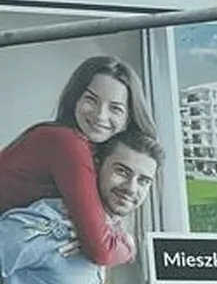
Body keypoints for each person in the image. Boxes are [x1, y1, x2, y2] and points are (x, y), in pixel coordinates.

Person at [0, 128, 159, 284]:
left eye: (143, 181)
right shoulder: (51, 225)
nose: (131, 188)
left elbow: (120, 245)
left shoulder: (107, 231)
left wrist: (126, 244)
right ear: (96, 167)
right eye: (122, 171)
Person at [0, 54, 152, 272]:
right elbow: (101, 250)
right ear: (75, 99)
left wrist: (105, 236)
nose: (100, 115)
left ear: (128, 118)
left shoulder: (91, 152)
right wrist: (128, 245)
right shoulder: (68, 144)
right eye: (91, 100)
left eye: (115, 108)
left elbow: (102, 238)